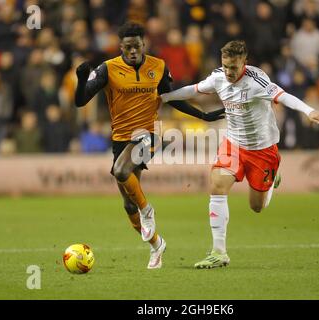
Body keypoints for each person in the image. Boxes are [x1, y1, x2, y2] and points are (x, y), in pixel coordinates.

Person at [160, 40, 319, 269]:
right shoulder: (218, 77)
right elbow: (195, 89)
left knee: (256, 207)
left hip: (262, 150)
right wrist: (165, 98)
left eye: (234, 67)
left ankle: (271, 181)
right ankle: (219, 252)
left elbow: (284, 96)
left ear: (244, 63)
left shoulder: (258, 81)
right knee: (217, 185)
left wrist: (310, 111)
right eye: (226, 66)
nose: (229, 72)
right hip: (233, 144)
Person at [75, 22, 224, 269]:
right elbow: (81, 101)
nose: (132, 51)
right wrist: (81, 80)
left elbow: (170, 98)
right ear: (120, 47)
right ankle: (156, 245)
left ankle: (148, 211)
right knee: (128, 204)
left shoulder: (158, 66)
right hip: (120, 138)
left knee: (121, 171)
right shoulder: (108, 69)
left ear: (144, 44)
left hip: (148, 134)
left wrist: (202, 116)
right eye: (127, 47)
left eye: (136, 46)